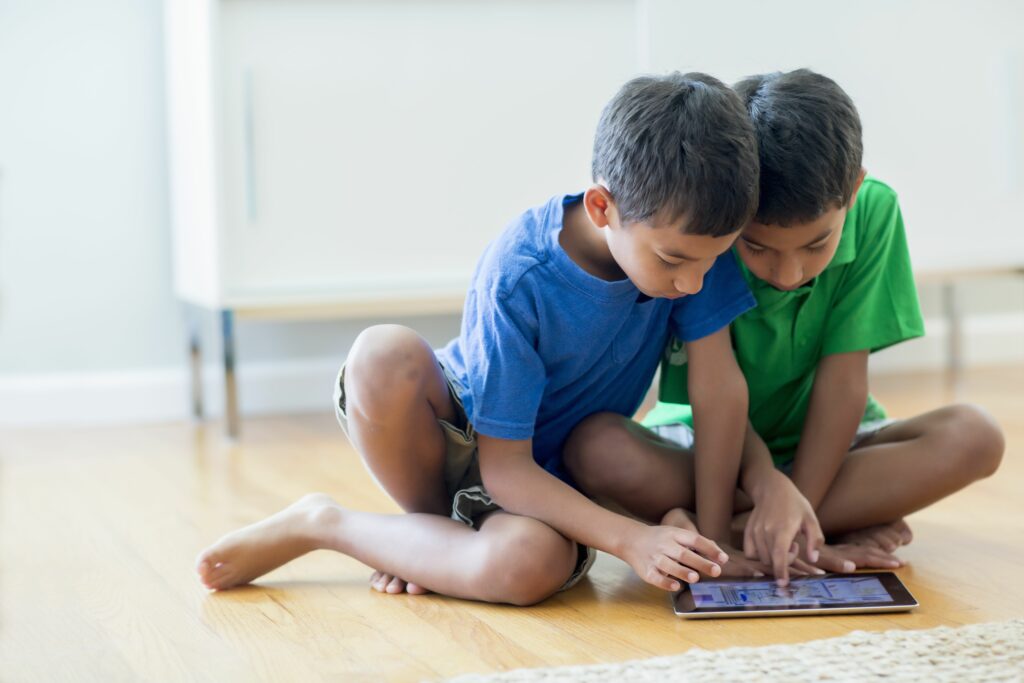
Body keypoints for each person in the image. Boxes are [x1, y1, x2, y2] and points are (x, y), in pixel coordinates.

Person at [194, 72, 761, 604]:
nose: (692, 282)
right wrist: (631, 541)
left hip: (550, 482)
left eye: (709, 263)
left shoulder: (696, 245)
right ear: (601, 206)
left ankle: (425, 550)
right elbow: (503, 467)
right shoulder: (521, 271)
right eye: (673, 261)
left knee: (527, 566)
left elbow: (719, 392)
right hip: (469, 437)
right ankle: (335, 523)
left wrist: (716, 542)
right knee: (381, 353)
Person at [565, 69, 1005, 586]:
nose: (789, 273)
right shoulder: (710, 226)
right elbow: (717, 398)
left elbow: (844, 382)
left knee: (977, 436)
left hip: (834, 451)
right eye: (757, 247)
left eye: (818, 245)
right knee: (595, 448)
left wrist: (798, 505)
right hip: (705, 452)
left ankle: (743, 530)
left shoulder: (876, 209)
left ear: (855, 190)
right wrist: (765, 481)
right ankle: (813, 524)